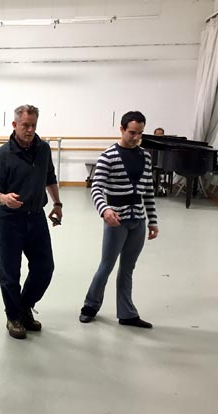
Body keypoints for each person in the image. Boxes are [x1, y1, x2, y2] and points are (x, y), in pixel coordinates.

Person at [0, 104, 63, 340]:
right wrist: (3, 198)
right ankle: (14, 317)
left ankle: (24, 306)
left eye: (33, 126)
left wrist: (57, 204)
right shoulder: (2, 155)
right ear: (14, 125)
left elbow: (50, 177)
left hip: (36, 217)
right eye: (25, 125)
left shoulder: (43, 149)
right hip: (10, 220)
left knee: (45, 267)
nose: (29, 130)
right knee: (10, 272)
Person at [79, 111, 158, 328]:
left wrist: (152, 220)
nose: (136, 137)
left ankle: (127, 313)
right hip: (116, 221)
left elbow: (148, 191)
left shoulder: (146, 156)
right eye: (132, 132)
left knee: (128, 268)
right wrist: (104, 210)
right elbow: (96, 186)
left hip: (138, 221)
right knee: (107, 265)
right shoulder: (109, 156)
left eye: (140, 133)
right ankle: (90, 306)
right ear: (122, 129)